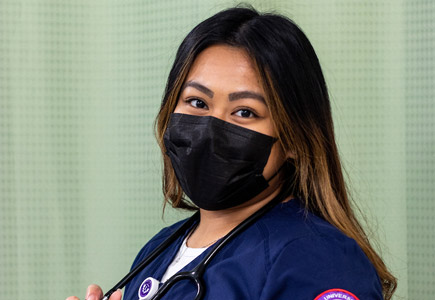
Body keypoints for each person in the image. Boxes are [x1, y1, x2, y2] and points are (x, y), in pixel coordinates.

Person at [67, 6, 397, 300]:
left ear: (295, 139)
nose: (211, 129)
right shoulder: (158, 250)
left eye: (244, 112)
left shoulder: (318, 260)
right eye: (197, 103)